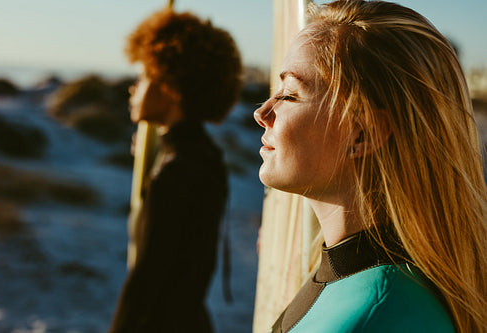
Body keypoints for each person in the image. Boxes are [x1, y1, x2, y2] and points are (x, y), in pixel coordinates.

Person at [254, 1, 487, 332]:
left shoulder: (377, 314)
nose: (262, 113)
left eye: (289, 95)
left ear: (362, 134)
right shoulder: (355, 280)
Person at [108, 7, 242, 333]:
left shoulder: (177, 168)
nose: (133, 88)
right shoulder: (203, 156)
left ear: (169, 85)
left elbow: (148, 281)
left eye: (143, 77)